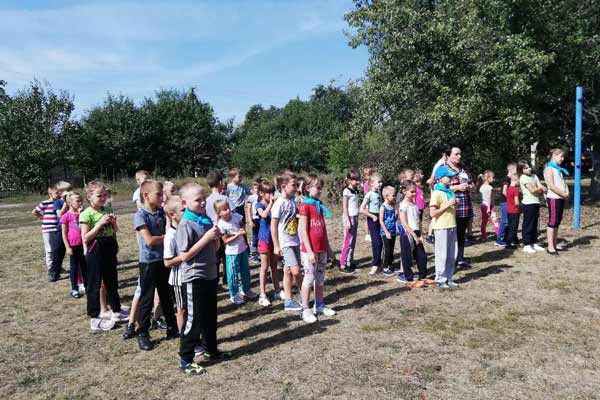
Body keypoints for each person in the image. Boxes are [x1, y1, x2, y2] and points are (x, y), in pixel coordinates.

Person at [176, 183, 231, 375]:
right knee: (194, 319)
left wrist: (215, 239)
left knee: (210, 316)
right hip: (194, 277)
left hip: (210, 274)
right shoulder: (185, 224)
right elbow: (184, 256)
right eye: (197, 200)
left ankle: (211, 350)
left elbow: (215, 248)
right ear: (185, 203)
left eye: (204, 198)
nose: (202, 202)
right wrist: (206, 238)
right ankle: (186, 359)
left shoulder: (205, 219)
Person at [133, 180, 178, 351]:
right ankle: (143, 333)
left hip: (163, 259)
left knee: (167, 295)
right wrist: (168, 236)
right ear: (146, 196)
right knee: (147, 298)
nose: (162, 197)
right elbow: (150, 240)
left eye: (162, 194)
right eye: (158, 195)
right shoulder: (140, 215)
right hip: (148, 262)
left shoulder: (161, 211)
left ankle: (172, 327)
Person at [80, 180, 128, 331]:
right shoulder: (86, 214)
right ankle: (95, 318)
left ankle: (116, 310)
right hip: (95, 250)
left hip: (109, 248)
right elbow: (85, 237)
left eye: (104, 195)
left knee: (112, 281)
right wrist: (100, 224)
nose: (102, 198)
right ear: (89, 197)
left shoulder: (107, 209)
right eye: (99, 196)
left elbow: (115, 230)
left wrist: (113, 223)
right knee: (94, 284)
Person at [298, 174, 335, 323]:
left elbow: (323, 229)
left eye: (321, 188)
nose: (320, 190)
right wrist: (309, 251)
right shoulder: (305, 205)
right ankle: (305, 308)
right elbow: (303, 230)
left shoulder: (318, 204)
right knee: (309, 278)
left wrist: (328, 248)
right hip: (310, 251)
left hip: (322, 249)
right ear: (308, 188)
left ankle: (319, 304)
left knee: (320, 278)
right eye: (318, 187)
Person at [271, 171, 303, 312]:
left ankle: (288, 301)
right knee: (296, 271)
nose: (296, 188)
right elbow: (273, 226)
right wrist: (276, 245)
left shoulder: (292, 201)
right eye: (293, 185)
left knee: (288, 271)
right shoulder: (278, 204)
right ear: (283, 186)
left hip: (295, 240)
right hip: (286, 242)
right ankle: (304, 294)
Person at [215, 200, 258, 305]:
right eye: (224, 209)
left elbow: (241, 224)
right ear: (219, 213)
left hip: (242, 248)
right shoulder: (221, 224)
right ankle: (234, 294)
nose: (228, 210)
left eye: (228, 208)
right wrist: (237, 235)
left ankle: (246, 289)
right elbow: (225, 241)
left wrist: (242, 229)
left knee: (245, 271)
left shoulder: (236, 216)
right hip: (232, 252)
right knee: (233, 274)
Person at [442, 145, 474, 268]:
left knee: (461, 235)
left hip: (465, 207)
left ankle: (460, 258)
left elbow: (472, 184)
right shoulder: (443, 169)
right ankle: (449, 260)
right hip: (450, 208)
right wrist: (457, 187)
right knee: (450, 236)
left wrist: (470, 186)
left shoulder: (463, 169)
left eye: (460, 154)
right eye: (456, 154)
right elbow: (438, 187)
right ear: (448, 155)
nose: (459, 156)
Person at [429, 166, 460, 289]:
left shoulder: (449, 192)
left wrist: (455, 204)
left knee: (452, 254)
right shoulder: (436, 193)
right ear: (440, 178)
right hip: (441, 227)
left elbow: (452, 209)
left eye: (452, 176)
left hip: (452, 225)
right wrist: (448, 204)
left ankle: (449, 277)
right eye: (449, 176)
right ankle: (440, 279)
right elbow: (432, 213)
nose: (451, 178)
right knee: (442, 255)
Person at [255, 179, 283, 306]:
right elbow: (264, 215)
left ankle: (277, 290)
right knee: (264, 267)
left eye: (272, 192)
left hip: (274, 239)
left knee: (274, 266)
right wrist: (271, 204)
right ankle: (262, 294)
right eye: (268, 193)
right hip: (264, 239)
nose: (271, 195)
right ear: (261, 193)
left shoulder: (274, 204)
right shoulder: (259, 205)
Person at [205, 171, 234, 287]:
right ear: (221, 182)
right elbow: (232, 213)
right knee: (227, 256)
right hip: (226, 231)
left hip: (213, 232)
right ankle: (227, 278)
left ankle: (215, 281)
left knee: (215, 257)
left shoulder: (206, 200)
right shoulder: (224, 198)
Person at [32, 185, 65, 282]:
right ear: (50, 194)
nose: (59, 194)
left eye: (59, 193)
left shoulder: (59, 203)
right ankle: (50, 268)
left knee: (56, 249)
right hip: (47, 229)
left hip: (57, 229)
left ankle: (56, 267)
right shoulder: (45, 203)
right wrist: (43, 218)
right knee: (49, 249)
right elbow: (34, 211)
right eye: (56, 193)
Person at [397, 181, 428, 285]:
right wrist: (414, 236)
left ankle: (422, 276)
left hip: (417, 233)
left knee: (422, 257)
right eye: (412, 192)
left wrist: (421, 235)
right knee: (407, 257)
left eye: (415, 192)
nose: (414, 194)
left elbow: (418, 221)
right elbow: (404, 223)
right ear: (404, 191)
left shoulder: (414, 204)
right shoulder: (403, 205)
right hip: (408, 234)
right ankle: (409, 278)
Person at [60, 192, 87, 298]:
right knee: (74, 267)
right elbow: (64, 233)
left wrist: (81, 214)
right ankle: (74, 289)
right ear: (70, 203)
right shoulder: (66, 216)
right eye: (77, 201)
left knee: (85, 266)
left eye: (81, 201)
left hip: (83, 244)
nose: (80, 203)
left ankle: (86, 285)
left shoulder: (83, 214)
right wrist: (67, 247)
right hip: (73, 245)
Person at [544, 149, 570, 255]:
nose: (562, 159)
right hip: (554, 198)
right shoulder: (549, 169)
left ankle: (554, 244)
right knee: (553, 222)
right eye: (561, 156)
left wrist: (567, 193)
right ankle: (550, 247)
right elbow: (551, 186)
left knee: (557, 222)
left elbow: (563, 183)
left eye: (563, 157)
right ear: (554, 156)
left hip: (560, 198)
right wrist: (563, 194)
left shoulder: (558, 169)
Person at [517, 161, 547, 254]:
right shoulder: (523, 178)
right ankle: (527, 244)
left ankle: (534, 242)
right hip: (528, 204)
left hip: (536, 202)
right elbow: (533, 190)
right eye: (525, 168)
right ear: (521, 170)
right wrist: (540, 189)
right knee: (528, 224)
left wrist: (541, 188)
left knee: (535, 224)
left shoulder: (534, 176)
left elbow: (540, 187)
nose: (529, 169)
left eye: (529, 167)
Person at [360, 173, 383, 275]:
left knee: (380, 242)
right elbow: (361, 209)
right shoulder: (369, 194)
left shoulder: (379, 194)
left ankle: (379, 264)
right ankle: (374, 265)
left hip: (380, 218)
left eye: (381, 182)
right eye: (379, 182)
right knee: (376, 242)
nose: (380, 184)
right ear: (372, 183)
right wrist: (372, 216)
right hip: (372, 220)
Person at [339, 170, 360, 273]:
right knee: (347, 241)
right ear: (349, 180)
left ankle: (349, 261)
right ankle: (342, 264)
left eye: (357, 179)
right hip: (349, 218)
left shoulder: (355, 191)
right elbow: (345, 207)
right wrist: (347, 219)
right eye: (354, 179)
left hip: (355, 217)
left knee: (353, 241)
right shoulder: (346, 191)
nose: (357, 181)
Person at [495, 162, 517, 247]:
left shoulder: (510, 180)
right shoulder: (506, 179)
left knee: (508, 221)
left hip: (507, 202)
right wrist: (511, 200)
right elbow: (504, 191)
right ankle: (499, 239)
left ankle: (506, 238)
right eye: (516, 171)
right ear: (512, 170)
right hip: (505, 202)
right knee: (505, 221)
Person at [379, 186, 397, 277]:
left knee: (391, 249)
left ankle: (390, 264)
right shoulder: (383, 207)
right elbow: (381, 221)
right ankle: (385, 267)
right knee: (387, 250)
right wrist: (386, 232)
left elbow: (394, 219)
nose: (395, 197)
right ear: (386, 196)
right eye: (393, 195)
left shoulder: (392, 206)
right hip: (385, 232)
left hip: (393, 231)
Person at [477, 170, 498, 241]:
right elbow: (489, 198)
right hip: (489, 206)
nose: (493, 179)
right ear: (488, 178)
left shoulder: (481, 187)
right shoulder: (489, 187)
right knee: (495, 221)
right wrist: (489, 208)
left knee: (484, 221)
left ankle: (484, 236)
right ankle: (499, 235)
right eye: (492, 177)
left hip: (483, 205)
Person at [246, 177, 262, 264]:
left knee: (261, 236)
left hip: (262, 219)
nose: (257, 190)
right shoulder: (251, 197)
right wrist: (250, 220)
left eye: (259, 188)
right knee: (255, 236)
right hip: (255, 219)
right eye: (255, 188)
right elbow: (248, 209)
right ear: (253, 188)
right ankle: (254, 254)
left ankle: (261, 252)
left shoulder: (263, 196)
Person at [504, 173, 521, 249]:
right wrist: (521, 205)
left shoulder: (508, 189)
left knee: (510, 226)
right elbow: (516, 202)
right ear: (516, 180)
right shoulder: (515, 190)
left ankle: (513, 240)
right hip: (515, 211)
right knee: (514, 227)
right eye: (519, 181)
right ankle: (509, 243)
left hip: (509, 211)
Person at [361, 166, 373, 242]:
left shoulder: (372, 183)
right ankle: (367, 234)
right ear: (365, 176)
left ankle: (372, 233)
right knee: (367, 219)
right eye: (368, 175)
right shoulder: (366, 184)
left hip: (373, 203)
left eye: (371, 174)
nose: (370, 176)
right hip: (368, 204)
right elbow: (366, 195)